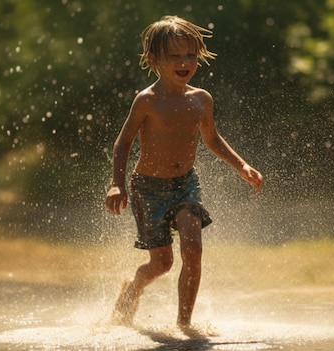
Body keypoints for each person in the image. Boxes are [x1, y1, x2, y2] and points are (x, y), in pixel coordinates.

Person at [105, 15, 263, 329]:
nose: (184, 62)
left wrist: (241, 165)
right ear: (154, 60)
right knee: (162, 263)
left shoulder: (201, 99)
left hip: (185, 184)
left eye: (190, 55)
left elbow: (212, 139)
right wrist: (116, 184)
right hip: (147, 188)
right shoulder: (147, 100)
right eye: (175, 56)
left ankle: (184, 324)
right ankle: (134, 286)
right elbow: (123, 143)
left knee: (193, 247)